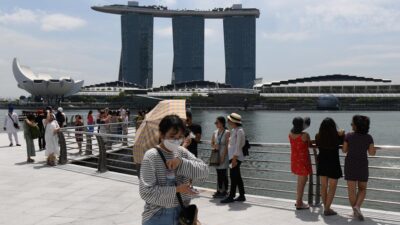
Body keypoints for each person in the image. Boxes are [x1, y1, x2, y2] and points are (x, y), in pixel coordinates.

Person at [139, 115, 209, 225]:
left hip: (182, 214)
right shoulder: (151, 156)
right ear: (162, 135)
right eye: (172, 136)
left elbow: (204, 171)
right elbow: (146, 193)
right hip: (158, 216)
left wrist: (181, 163)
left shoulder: (181, 152)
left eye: (180, 137)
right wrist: (177, 189)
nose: (177, 140)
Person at [343, 115, 376, 221]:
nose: (351, 125)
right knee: (362, 189)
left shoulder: (348, 136)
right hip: (362, 164)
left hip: (350, 164)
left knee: (351, 190)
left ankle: (354, 211)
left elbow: (344, 150)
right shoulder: (368, 137)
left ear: (356, 126)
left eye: (352, 123)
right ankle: (357, 207)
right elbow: (371, 153)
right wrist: (374, 149)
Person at [315, 118, 345, 216]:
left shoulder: (318, 136)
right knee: (332, 187)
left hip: (322, 162)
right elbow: (343, 142)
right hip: (333, 163)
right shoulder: (337, 136)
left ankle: (326, 208)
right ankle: (327, 209)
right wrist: (342, 134)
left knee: (323, 186)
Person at [221, 113, 246, 203]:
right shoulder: (235, 130)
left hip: (236, 157)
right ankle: (242, 195)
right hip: (233, 157)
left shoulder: (239, 131)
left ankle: (231, 196)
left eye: (229, 120)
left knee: (233, 177)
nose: (228, 121)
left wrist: (234, 158)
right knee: (237, 177)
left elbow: (239, 146)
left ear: (233, 121)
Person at [288, 117, 312, 210]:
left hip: (295, 159)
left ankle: (299, 200)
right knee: (302, 183)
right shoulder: (305, 135)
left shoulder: (290, 134)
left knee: (300, 182)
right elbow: (309, 145)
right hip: (303, 161)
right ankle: (299, 203)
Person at [210, 116, 230, 198]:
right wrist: (214, 146)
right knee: (218, 173)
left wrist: (223, 157)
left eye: (216, 122)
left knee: (223, 173)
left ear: (222, 123)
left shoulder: (227, 132)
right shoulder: (215, 132)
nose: (215, 124)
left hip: (223, 155)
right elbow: (212, 143)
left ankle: (224, 190)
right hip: (217, 154)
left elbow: (227, 146)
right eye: (215, 122)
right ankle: (219, 190)